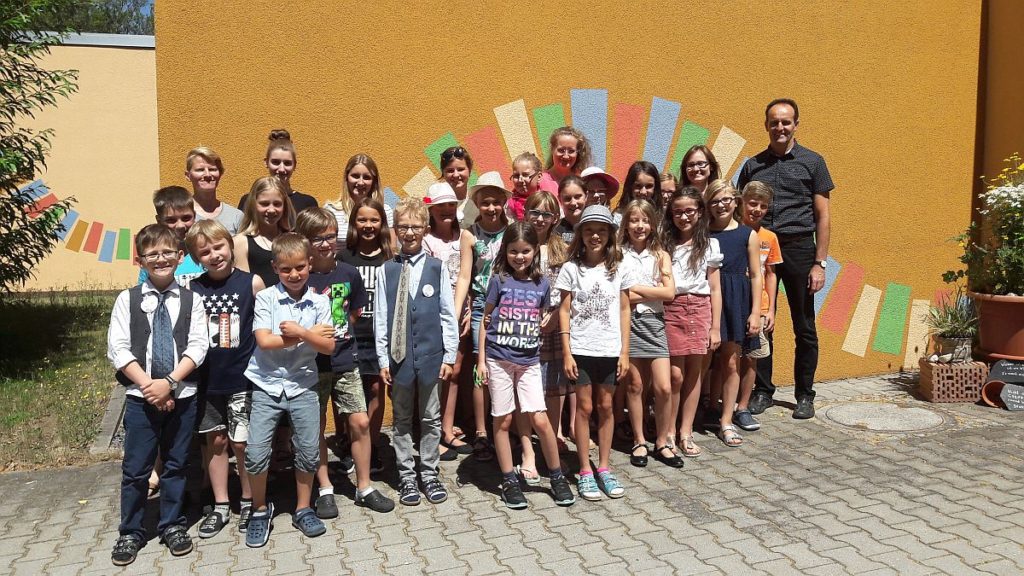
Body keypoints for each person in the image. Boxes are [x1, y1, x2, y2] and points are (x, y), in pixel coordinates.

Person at [108, 224, 209, 566]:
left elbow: (198, 345)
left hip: (182, 394)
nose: (161, 258)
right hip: (140, 397)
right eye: (153, 254)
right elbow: (119, 349)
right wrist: (151, 387)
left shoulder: (193, 300)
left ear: (180, 257)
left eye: (168, 252)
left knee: (177, 464)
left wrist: (169, 382)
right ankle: (131, 531)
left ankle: (172, 524)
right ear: (140, 260)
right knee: (136, 469)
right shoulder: (128, 299)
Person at [737, 98, 834, 420]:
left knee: (804, 326)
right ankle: (763, 390)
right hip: (761, 249)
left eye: (786, 122)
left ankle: (805, 394)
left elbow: (823, 216)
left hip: (799, 250)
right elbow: (742, 210)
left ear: (796, 124)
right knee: (763, 322)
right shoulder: (753, 165)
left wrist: (820, 262)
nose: (780, 128)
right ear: (766, 125)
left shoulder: (813, 162)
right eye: (774, 122)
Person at [298, 208, 395, 515]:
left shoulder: (348, 273)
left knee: (361, 421)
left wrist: (340, 334)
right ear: (305, 241)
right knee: (315, 427)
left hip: (345, 360)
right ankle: (325, 487)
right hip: (310, 365)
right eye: (317, 238)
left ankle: (364, 486)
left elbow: (353, 313)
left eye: (329, 236)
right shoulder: (300, 277)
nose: (325, 244)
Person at [242, 233, 336, 548]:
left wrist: (299, 332)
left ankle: (303, 507)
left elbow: (328, 346)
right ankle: (258, 509)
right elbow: (265, 341)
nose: (294, 274)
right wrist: (307, 335)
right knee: (255, 452)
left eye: (300, 267)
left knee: (308, 452)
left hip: (303, 383)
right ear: (275, 268)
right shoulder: (267, 298)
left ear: (309, 264)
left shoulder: (320, 301)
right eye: (286, 269)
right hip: (267, 383)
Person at [477, 222, 576, 509]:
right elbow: (485, 321)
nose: (519, 257)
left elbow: (545, 314)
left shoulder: (542, 283)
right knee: (503, 419)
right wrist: (482, 361)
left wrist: (549, 318)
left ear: (535, 252)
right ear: (505, 252)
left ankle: (556, 476)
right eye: (513, 251)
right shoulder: (498, 280)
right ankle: (509, 479)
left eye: (525, 251)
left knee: (540, 419)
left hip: (529, 361)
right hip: (499, 360)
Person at [374, 198, 459, 506]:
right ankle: (407, 475)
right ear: (395, 230)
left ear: (425, 228)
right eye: (402, 226)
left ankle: (429, 471)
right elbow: (381, 316)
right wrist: (383, 358)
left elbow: (447, 313)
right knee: (402, 418)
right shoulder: (387, 269)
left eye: (414, 226)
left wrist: (450, 355)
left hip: (431, 356)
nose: (408, 232)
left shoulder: (436, 269)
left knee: (431, 416)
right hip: (399, 359)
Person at [185, 220, 264, 538]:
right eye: (205, 252)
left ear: (230, 246)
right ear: (196, 258)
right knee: (214, 443)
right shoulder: (192, 290)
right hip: (207, 381)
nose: (214, 255)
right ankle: (220, 504)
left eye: (218, 247)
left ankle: (248, 500)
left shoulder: (252, 283)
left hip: (242, 379)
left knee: (242, 443)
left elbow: (264, 327)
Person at [555, 205, 635, 501]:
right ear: (580, 234)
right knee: (584, 408)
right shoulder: (571, 268)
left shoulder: (620, 267)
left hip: (610, 349)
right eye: (589, 230)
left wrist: (625, 352)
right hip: (580, 349)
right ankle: (585, 469)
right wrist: (566, 352)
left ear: (610, 234)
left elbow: (625, 309)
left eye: (601, 230)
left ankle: (604, 466)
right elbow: (563, 310)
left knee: (606, 406)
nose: (595, 235)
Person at [454, 172, 511, 462]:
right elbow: (465, 275)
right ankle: (481, 432)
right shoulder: (470, 234)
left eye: (496, 202)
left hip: (510, 306)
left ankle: (505, 424)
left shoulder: (514, 230)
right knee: (481, 367)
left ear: (504, 203)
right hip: (480, 307)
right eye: (485, 202)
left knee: (507, 364)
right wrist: (455, 311)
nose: (491, 208)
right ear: (477, 203)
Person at [662, 188, 722, 458]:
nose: (684, 217)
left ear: (700, 212)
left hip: (699, 307)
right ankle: (669, 431)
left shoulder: (710, 245)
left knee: (695, 373)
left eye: (689, 211)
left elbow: (715, 288)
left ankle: (685, 431)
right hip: (671, 307)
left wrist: (715, 327)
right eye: (677, 211)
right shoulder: (664, 244)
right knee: (675, 375)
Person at [618, 199, 678, 468]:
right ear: (626, 224)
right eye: (634, 220)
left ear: (653, 224)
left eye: (644, 220)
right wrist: (649, 290)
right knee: (635, 385)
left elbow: (669, 293)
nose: (639, 226)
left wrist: (638, 290)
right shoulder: (618, 254)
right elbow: (620, 296)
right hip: (629, 324)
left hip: (654, 323)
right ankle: (640, 440)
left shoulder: (661, 255)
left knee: (664, 386)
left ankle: (663, 440)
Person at [337, 198, 395, 474]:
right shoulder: (344, 258)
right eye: (362, 220)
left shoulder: (390, 258)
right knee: (350, 394)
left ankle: (371, 449)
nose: (368, 225)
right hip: (350, 338)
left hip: (379, 337)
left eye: (374, 220)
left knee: (375, 391)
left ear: (382, 223)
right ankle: (352, 447)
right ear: (353, 223)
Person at [705, 181, 762, 447]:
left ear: (735, 200)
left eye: (726, 199)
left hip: (736, 299)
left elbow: (756, 275)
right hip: (706, 298)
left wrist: (755, 312)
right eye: (715, 200)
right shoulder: (702, 233)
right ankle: (701, 412)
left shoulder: (747, 234)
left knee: (730, 362)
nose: (721, 205)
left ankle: (726, 420)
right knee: (704, 363)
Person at [421, 182, 474, 458]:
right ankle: (430, 432)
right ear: (431, 209)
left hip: (460, 311)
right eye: (440, 206)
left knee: (454, 373)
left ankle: (448, 428)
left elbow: (468, 276)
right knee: (433, 374)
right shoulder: (426, 240)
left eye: (451, 205)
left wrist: (463, 310)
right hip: (433, 315)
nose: (446, 210)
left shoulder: (463, 236)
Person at [735, 181, 782, 432]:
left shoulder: (769, 237)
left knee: (752, 359)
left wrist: (771, 309)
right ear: (741, 202)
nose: (757, 210)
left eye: (763, 206)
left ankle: (742, 406)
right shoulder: (731, 231)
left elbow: (770, 274)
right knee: (730, 360)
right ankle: (721, 405)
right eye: (753, 203)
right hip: (734, 304)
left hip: (760, 307)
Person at [234, 176, 296, 288]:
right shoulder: (241, 243)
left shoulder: (294, 239)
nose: (271, 210)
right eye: (264, 204)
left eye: (277, 204)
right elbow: (243, 289)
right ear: (253, 205)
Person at [238, 130, 319, 215]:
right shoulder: (249, 200)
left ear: (294, 165)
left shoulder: (308, 203)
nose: (281, 169)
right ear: (266, 162)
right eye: (276, 162)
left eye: (287, 163)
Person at [325, 154, 395, 250]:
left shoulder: (385, 211)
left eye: (366, 177)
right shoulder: (330, 211)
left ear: (374, 181)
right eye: (355, 176)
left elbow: (391, 250)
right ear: (347, 177)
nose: (361, 182)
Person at [139, 186, 204, 288]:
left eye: (186, 218)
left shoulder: (206, 252)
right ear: (159, 221)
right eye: (171, 220)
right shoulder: (154, 259)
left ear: (194, 216)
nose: (180, 226)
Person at [185, 147, 244, 235]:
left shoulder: (236, 217)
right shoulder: (181, 217)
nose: (207, 174)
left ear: (220, 174)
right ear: (188, 176)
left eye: (212, 169)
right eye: (200, 170)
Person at [540, 126, 592, 194]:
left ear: (577, 153)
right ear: (552, 149)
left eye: (571, 151)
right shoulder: (540, 180)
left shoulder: (584, 180)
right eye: (561, 150)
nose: (566, 156)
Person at [438, 145, 477, 228]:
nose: (455, 175)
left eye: (460, 169)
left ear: (469, 170)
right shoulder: (434, 203)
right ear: (443, 173)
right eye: (450, 171)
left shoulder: (478, 201)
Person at [506, 152, 544, 221]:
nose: (520, 180)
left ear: (539, 176)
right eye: (516, 176)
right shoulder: (508, 206)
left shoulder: (546, 202)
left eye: (525, 175)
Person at [553, 175, 588, 243]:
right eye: (567, 199)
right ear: (560, 199)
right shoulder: (555, 231)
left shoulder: (594, 227)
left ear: (586, 196)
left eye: (577, 197)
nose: (573, 203)